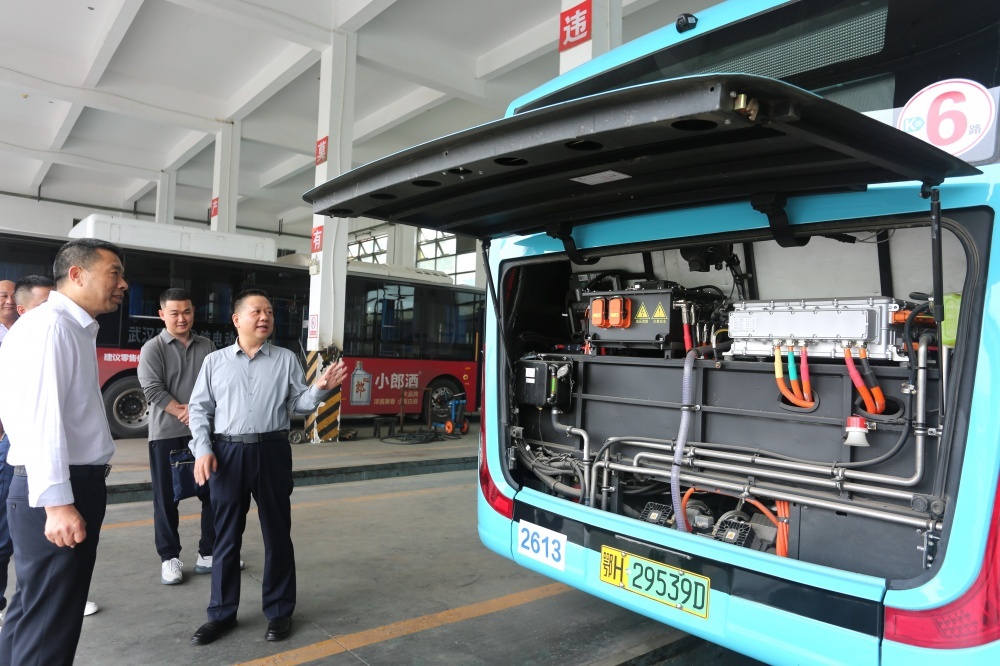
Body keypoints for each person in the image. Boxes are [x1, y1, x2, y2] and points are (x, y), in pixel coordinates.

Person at [187, 289, 346, 646]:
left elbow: (298, 405)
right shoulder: (215, 362)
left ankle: (279, 611)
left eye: (270, 312)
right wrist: (203, 449)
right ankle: (221, 614)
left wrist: (319, 389)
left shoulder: (286, 359)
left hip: (272, 450)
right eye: (257, 311)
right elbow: (199, 410)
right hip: (226, 453)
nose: (265, 317)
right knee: (225, 537)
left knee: (277, 533)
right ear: (237, 319)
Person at [0, 240, 127, 665]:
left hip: (59, 485)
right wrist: (57, 504)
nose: (123, 284)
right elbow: (42, 418)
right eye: (114, 273)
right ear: (77, 274)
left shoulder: (66, 326)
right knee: (50, 626)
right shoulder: (53, 327)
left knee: (33, 610)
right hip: (60, 489)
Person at [138, 288, 221, 586]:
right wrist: (186, 413)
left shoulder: (207, 345)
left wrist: (198, 417)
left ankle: (208, 553)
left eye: (186, 312)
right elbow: (152, 388)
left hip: (204, 434)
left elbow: (217, 384)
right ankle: (169, 558)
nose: (181, 318)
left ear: (193, 312)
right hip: (166, 435)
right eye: (174, 313)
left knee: (213, 495)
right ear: (162, 315)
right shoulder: (153, 348)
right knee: (166, 500)